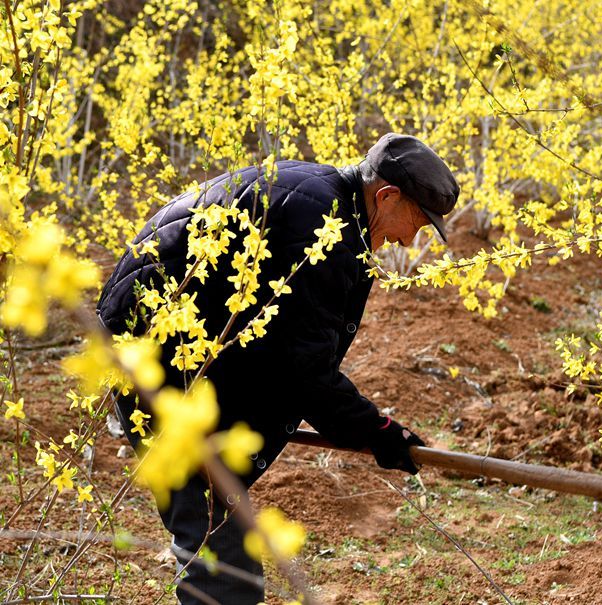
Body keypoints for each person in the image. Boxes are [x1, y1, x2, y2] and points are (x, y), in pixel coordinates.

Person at [95, 133, 460, 604]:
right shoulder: (321, 228)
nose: (408, 240)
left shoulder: (321, 197)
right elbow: (303, 368)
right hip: (157, 370)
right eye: (415, 222)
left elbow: (276, 346)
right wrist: (378, 430)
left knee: (220, 534)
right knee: (221, 559)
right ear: (386, 195)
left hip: (175, 356)